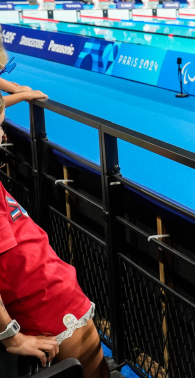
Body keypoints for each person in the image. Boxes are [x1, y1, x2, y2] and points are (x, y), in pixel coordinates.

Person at [0, 93, 112, 378]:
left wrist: (21, 93)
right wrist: (11, 336)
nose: (3, 135)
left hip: (54, 295)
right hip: (46, 310)